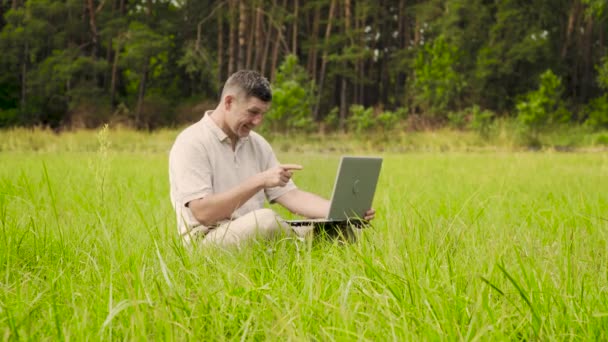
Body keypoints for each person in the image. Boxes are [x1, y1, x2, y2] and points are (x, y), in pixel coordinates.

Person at [169, 70, 375, 246]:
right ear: (229, 102)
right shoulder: (192, 142)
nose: (258, 121)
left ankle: (304, 260)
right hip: (208, 239)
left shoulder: (257, 143)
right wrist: (260, 181)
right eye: (253, 112)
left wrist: (343, 211)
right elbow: (202, 213)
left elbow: (292, 197)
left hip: (254, 234)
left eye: (262, 114)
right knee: (265, 220)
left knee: (339, 229)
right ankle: (299, 255)